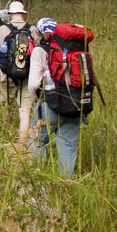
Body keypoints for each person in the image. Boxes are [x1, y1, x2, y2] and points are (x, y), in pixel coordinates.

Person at [27, 17, 84, 178]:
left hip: (49, 105)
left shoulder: (39, 51)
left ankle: (41, 180)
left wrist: (35, 100)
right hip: (76, 104)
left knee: (36, 140)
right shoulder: (73, 50)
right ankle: (64, 186)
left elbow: (33, 85)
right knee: (67, 145)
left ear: (38, 32)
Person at [0, 1, 41, 147]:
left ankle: (6, 135)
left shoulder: (2, 29)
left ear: (11, 14)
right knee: (25, 110)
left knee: (5, 105)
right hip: (28, 75)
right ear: (23, 14)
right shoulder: (32, 29)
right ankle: (22, 142)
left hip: (5, 76)